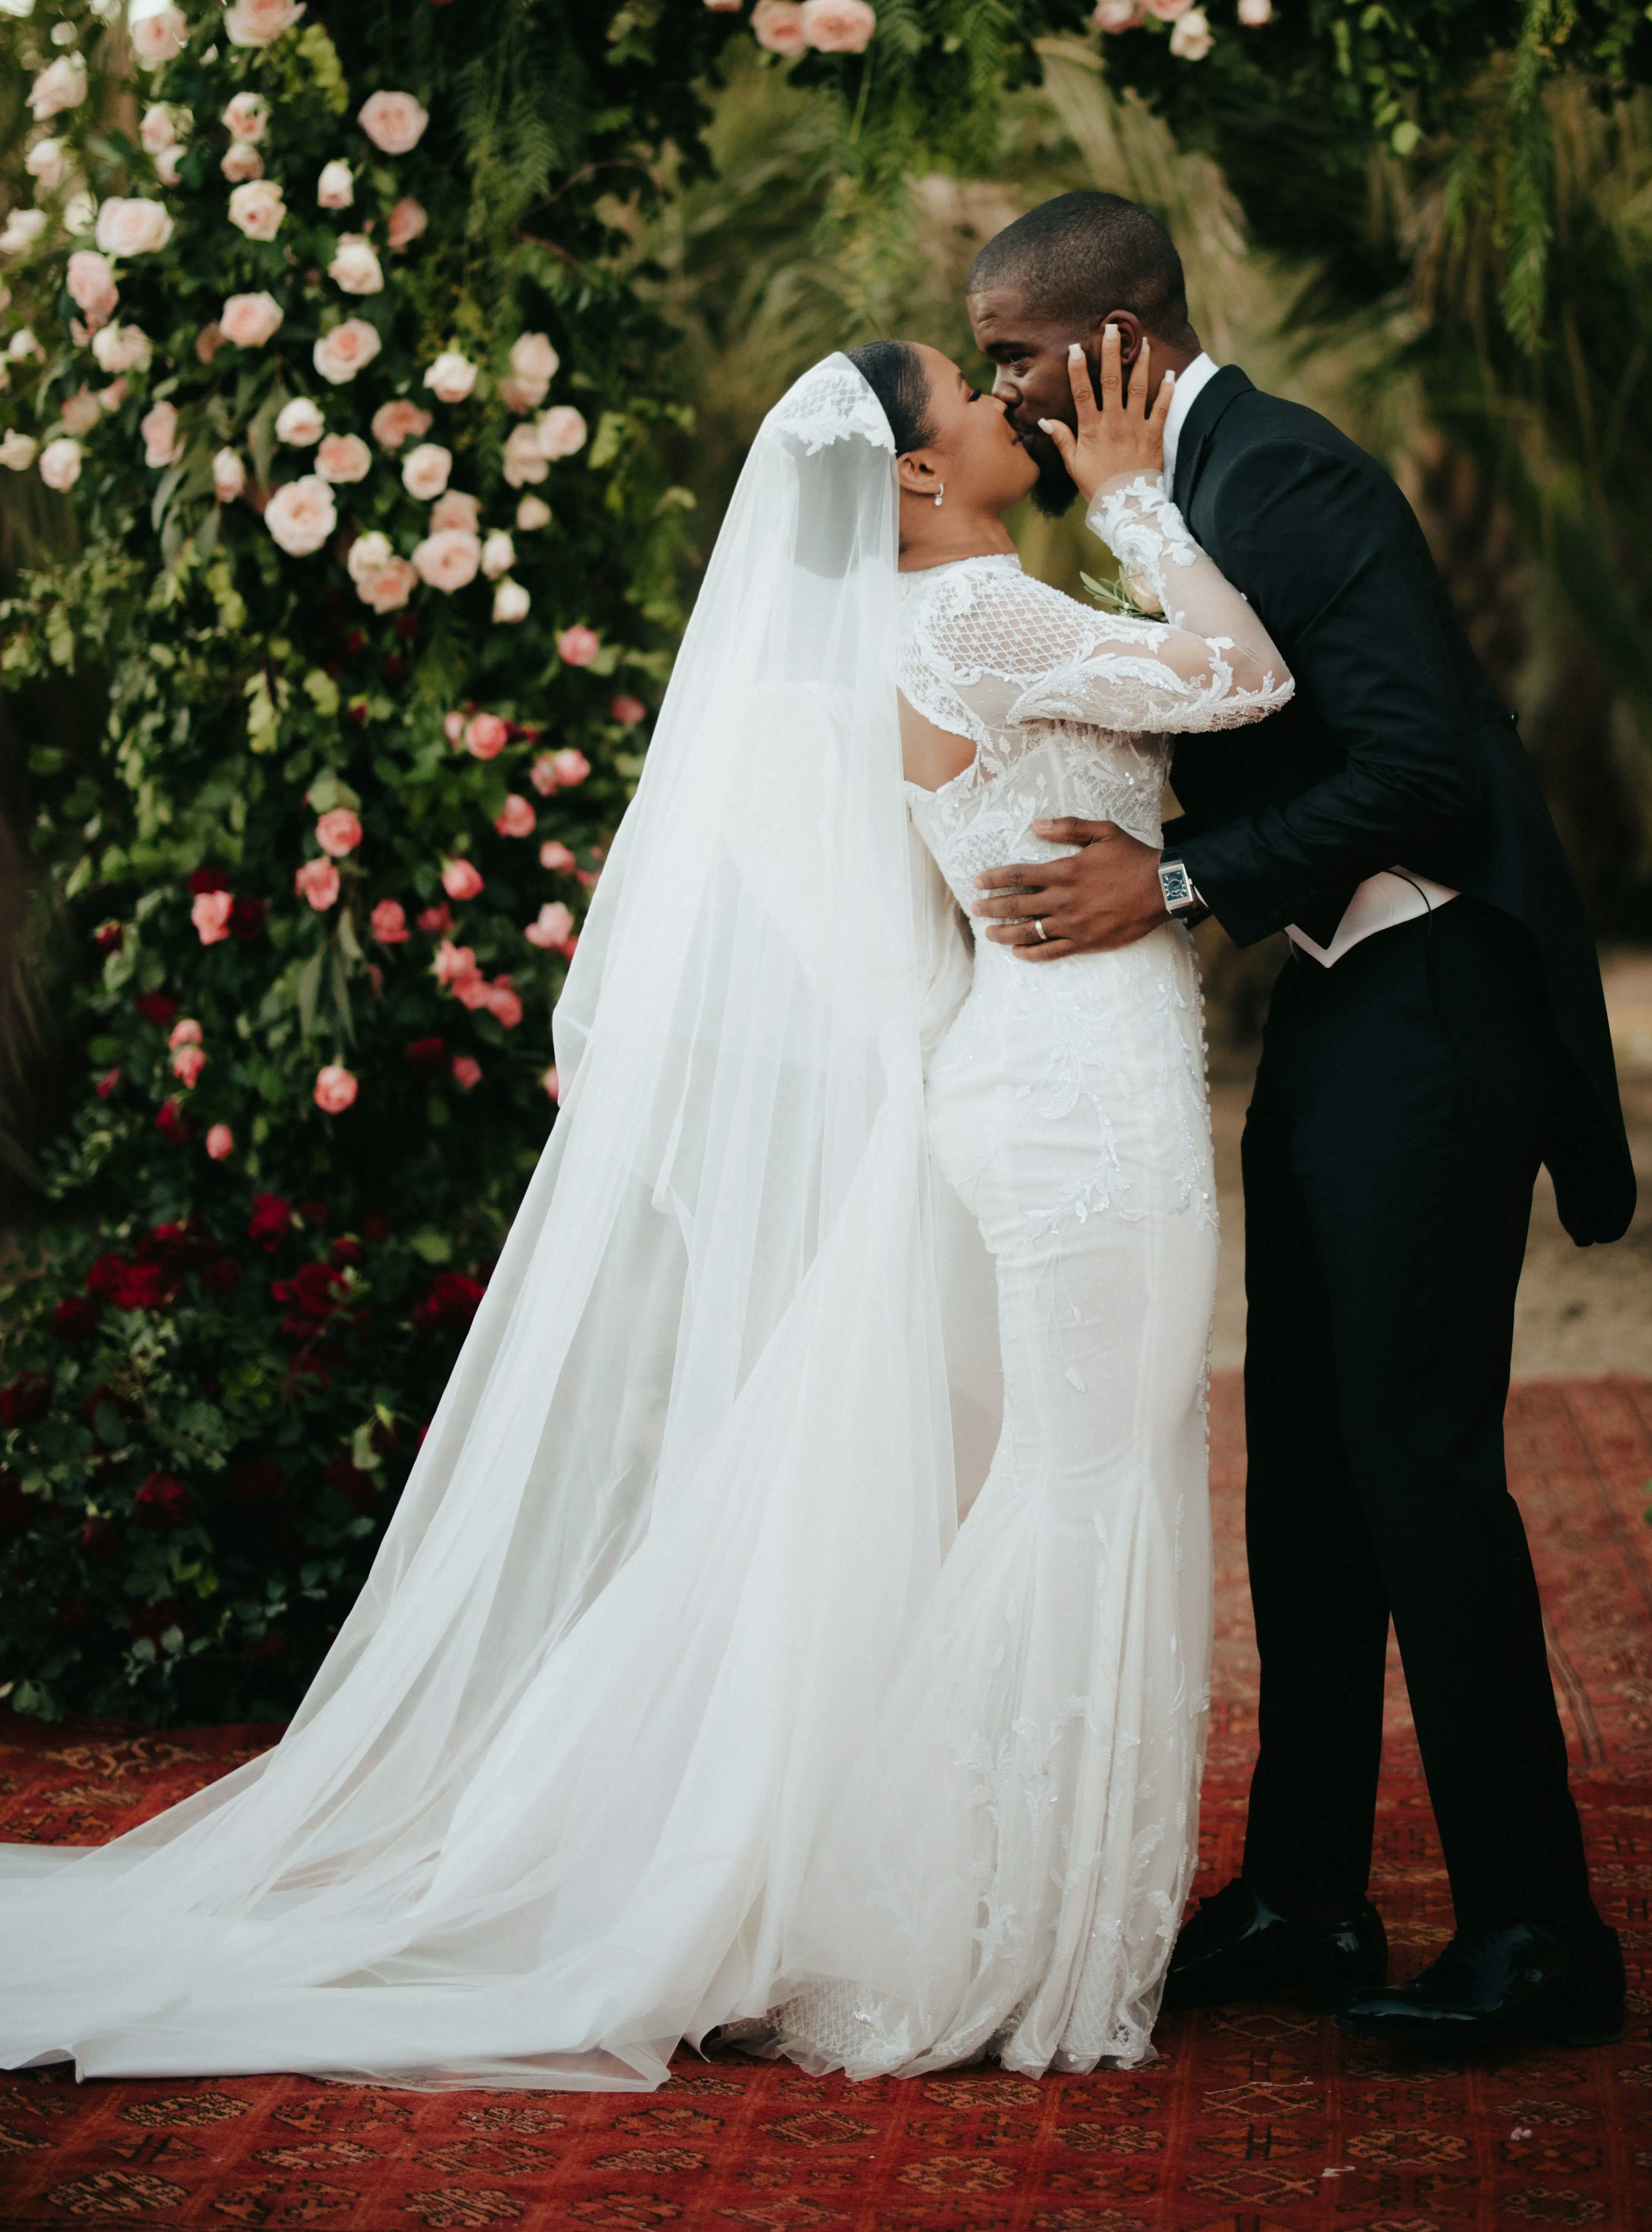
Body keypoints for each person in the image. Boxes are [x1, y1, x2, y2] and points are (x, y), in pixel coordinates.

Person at [0, 337, 1290, 2089]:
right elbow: (1244, 676)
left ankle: (1002, 1908)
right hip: (1077, 1092)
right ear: (915, 475)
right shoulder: (978, 615)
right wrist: (1142, 489)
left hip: (1050, 1069)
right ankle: (978, 1937)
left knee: (1072, 1475)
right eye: (973, 399)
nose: (1015, 405)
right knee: (1084, 1484)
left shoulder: (925, 626)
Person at [965, 189, 1637, 2051]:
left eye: (1014, 355)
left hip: (1439, 1003)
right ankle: (1308, 1894)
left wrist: (1174, 886)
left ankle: (1539, 1931)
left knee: (1419, 1461)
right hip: (1346, 1020)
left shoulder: (1293, 474)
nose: (999, 390)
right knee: (1312, 1475)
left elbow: (1417, 766)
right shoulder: (1185, 499)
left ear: (1116, 343)